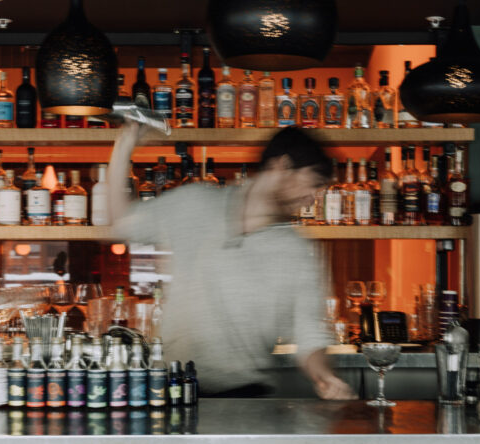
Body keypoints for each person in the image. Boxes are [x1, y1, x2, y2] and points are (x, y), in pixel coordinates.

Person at [108, 122, 356, 400]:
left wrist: (323, 375)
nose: (313, 198)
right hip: (172, 389)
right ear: (282, 166)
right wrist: (123, 146)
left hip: (246, 398)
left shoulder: (296, 250)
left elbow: (309, 330)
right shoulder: (195, 203)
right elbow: (122, 223)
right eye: (312, 184)